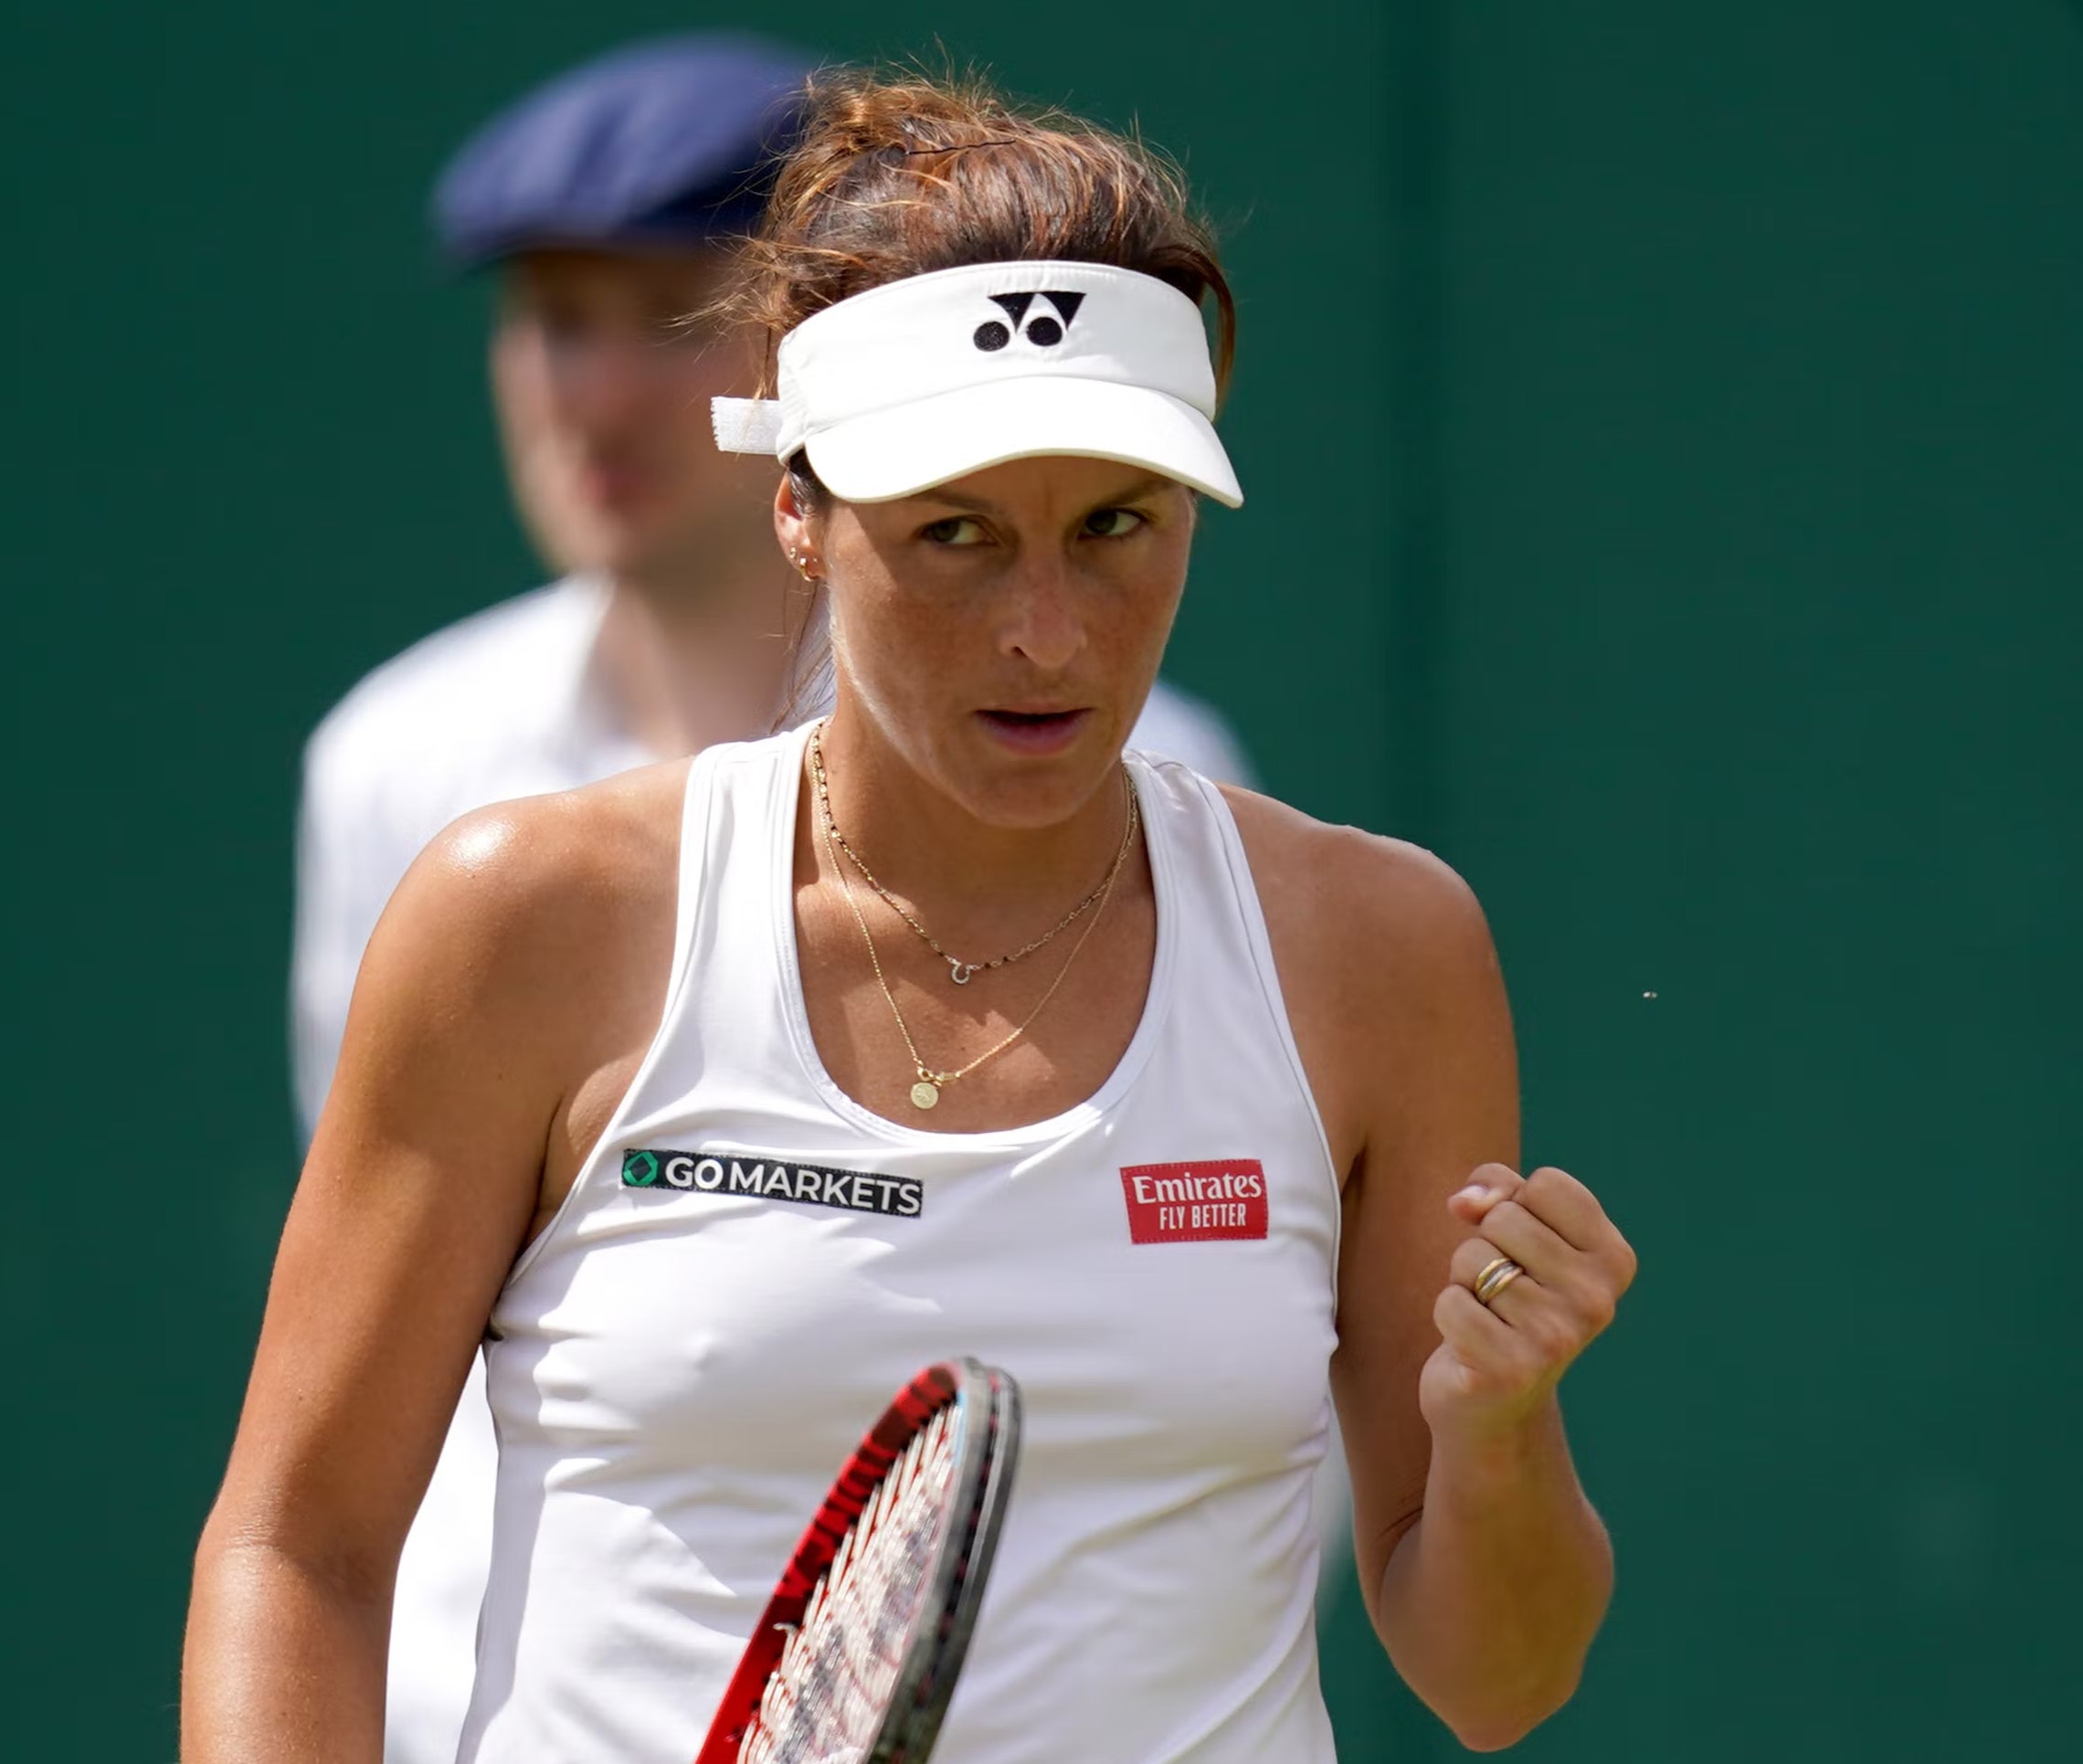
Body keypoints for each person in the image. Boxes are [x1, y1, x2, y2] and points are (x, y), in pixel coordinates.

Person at [193, 68, 1636, 1764]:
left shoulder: (1381, 951)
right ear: (797, 510)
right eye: (954, 536)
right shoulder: (525, 926)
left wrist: (1499, 1435)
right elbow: (301, 1549)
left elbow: (1497, 1678)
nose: (1047, 631)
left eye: (1117, 528)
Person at [288, 37, 1264, 1760]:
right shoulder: (411, 769)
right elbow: (350, 1425)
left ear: (796, 353)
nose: (592, 396)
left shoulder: (1171, 782)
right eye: (551, 323)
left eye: (660, 321)